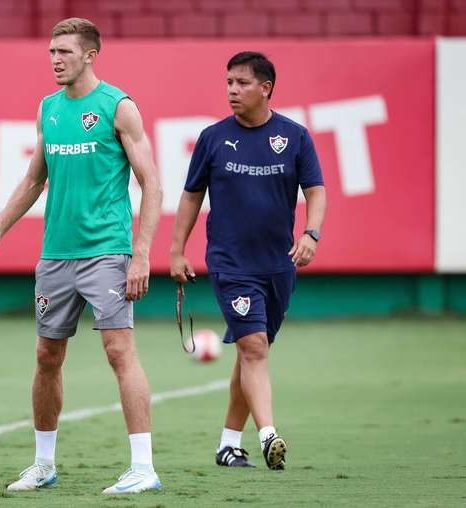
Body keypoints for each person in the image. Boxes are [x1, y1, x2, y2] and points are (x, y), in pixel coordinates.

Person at [0, 18, 163, 494]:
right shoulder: (49, 108)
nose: (56, 59)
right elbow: (34, 178)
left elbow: (152, 184)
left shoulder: (118, 107)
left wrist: (141, 254)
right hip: (56, 254)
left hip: (107, 251)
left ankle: (143, 468)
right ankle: (43, 464)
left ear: (90, 55)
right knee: (47, 356)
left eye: (65, 52)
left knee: (119, 351)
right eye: (52, 52)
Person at [169, 51, 326, 470]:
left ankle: (228, 445)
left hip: (279, 265)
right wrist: (177, 250)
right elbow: (191, 196)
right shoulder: (213, 138)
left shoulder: (294, 137)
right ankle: (268, 435)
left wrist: (310, 233)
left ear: (265, 88)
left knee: (250, 351)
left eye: (241, 83)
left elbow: (315, 190)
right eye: (229, 83)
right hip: (231, 264)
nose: (232, 91)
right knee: (253, 346)